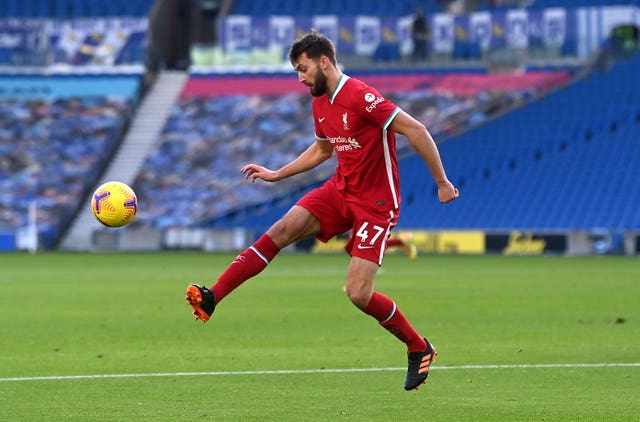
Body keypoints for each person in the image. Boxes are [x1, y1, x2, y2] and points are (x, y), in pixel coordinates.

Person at [185, 30, 459, 391]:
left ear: (324, 62)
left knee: (358, 293)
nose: (300, 78)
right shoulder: (320, 102)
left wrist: (441, 181)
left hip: (376, 203)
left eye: (303, 68)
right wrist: (277, 173)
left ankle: (418, 346)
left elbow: (417, 129)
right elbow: (322, 150)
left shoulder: (361, 96)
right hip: (340, 190)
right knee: (281, 231)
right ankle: (213, 296)